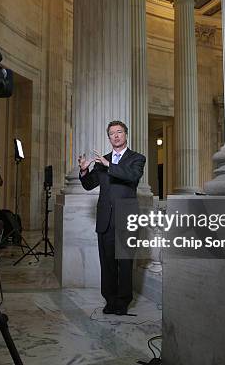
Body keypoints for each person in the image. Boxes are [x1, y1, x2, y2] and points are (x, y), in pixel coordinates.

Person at [78, 120, 145, 316]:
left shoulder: (137, 158)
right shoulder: (102, 161)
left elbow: (132, 177)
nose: (116, 136)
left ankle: (123, 302)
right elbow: (90, 185)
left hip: (127, 217)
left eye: (119, 132)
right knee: (107, 262)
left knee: (124, 262)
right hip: (105, 218)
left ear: (126, 135)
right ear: (109, 138)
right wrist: (84, 171)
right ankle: (110, 300)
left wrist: (110, 165)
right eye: (112, 133)